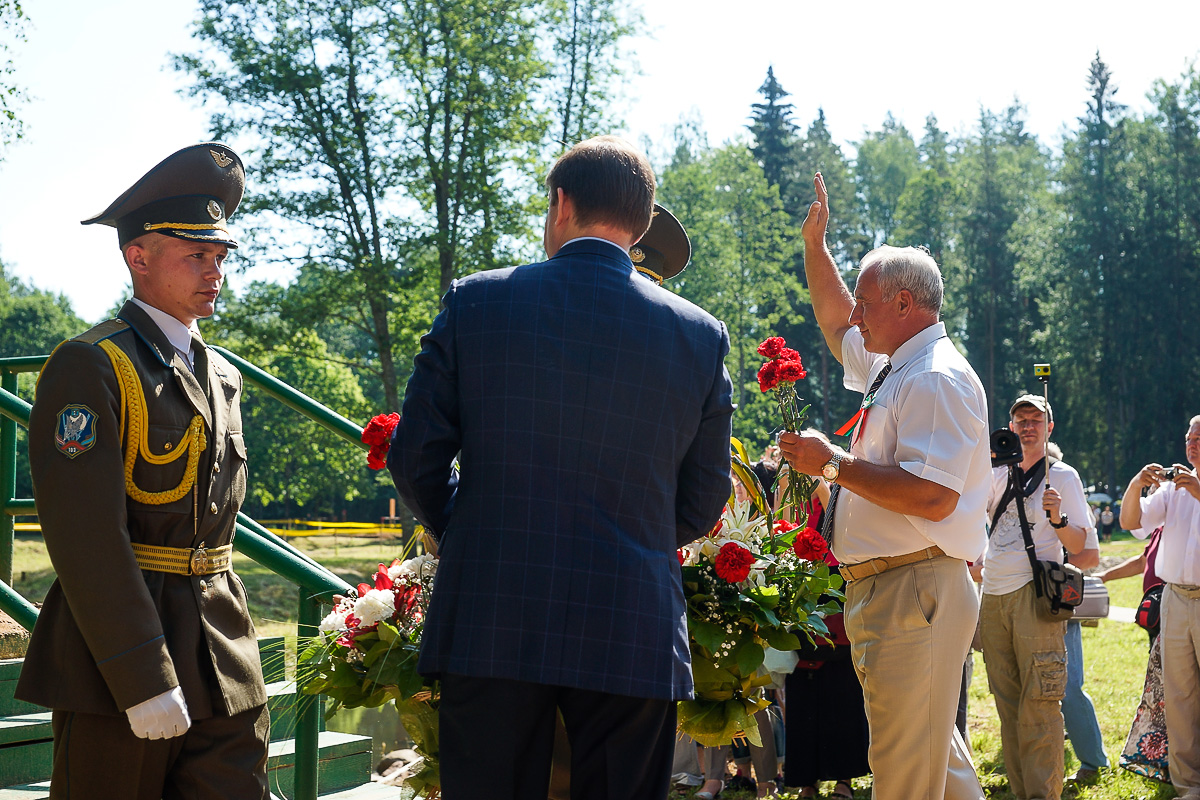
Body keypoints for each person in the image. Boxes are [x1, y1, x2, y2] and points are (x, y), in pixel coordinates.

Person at [387, 135, 735, 800]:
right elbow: (705, 495)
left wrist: (469, 528)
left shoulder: (477, 302)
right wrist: (638, 543)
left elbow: (415, 456)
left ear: (560, 203)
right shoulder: (698, 333)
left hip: (493, 612)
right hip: (631, 620)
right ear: (642, 219)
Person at [16, 143, 269, 798]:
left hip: (223, 656)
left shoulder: (223, 374)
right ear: (139, 256)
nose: (214, 272)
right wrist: (142, 676)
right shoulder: (93, 364)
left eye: (219, 257)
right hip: (123, 666)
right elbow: (86, 538)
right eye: (196, 255)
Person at [777, 173, 988, 800]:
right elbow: (833, 317)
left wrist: (833, 465)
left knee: (903, 776)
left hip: (913, 588)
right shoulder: (900, 367)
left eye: (866, 304)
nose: (856, 316)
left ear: (904, 305)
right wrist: (816, 246)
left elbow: (932, 496)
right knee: (936, 771)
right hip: (899, 589)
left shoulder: (934, 378)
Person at [973, 395, 1089, 800]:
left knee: (1039, 706)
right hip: (993, 595)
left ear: (1049, 427)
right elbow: (971, 521)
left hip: (1034, 595)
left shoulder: (1064, 477)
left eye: (1035, 420)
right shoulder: (993, 473)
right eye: (1020, 420)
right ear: (1010, 426)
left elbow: (1085, 550)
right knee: (1007, 708)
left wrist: (1058, 519)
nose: (1027, 427)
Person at [1120, 416, 1200, 800]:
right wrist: (1138, 484)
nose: (1192, 443)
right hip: (1176, 598)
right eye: (1189, 437)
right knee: (1180, 696)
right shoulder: (1174, 488)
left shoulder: (1192, 487)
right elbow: (1131, 521)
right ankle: (1189, 787)